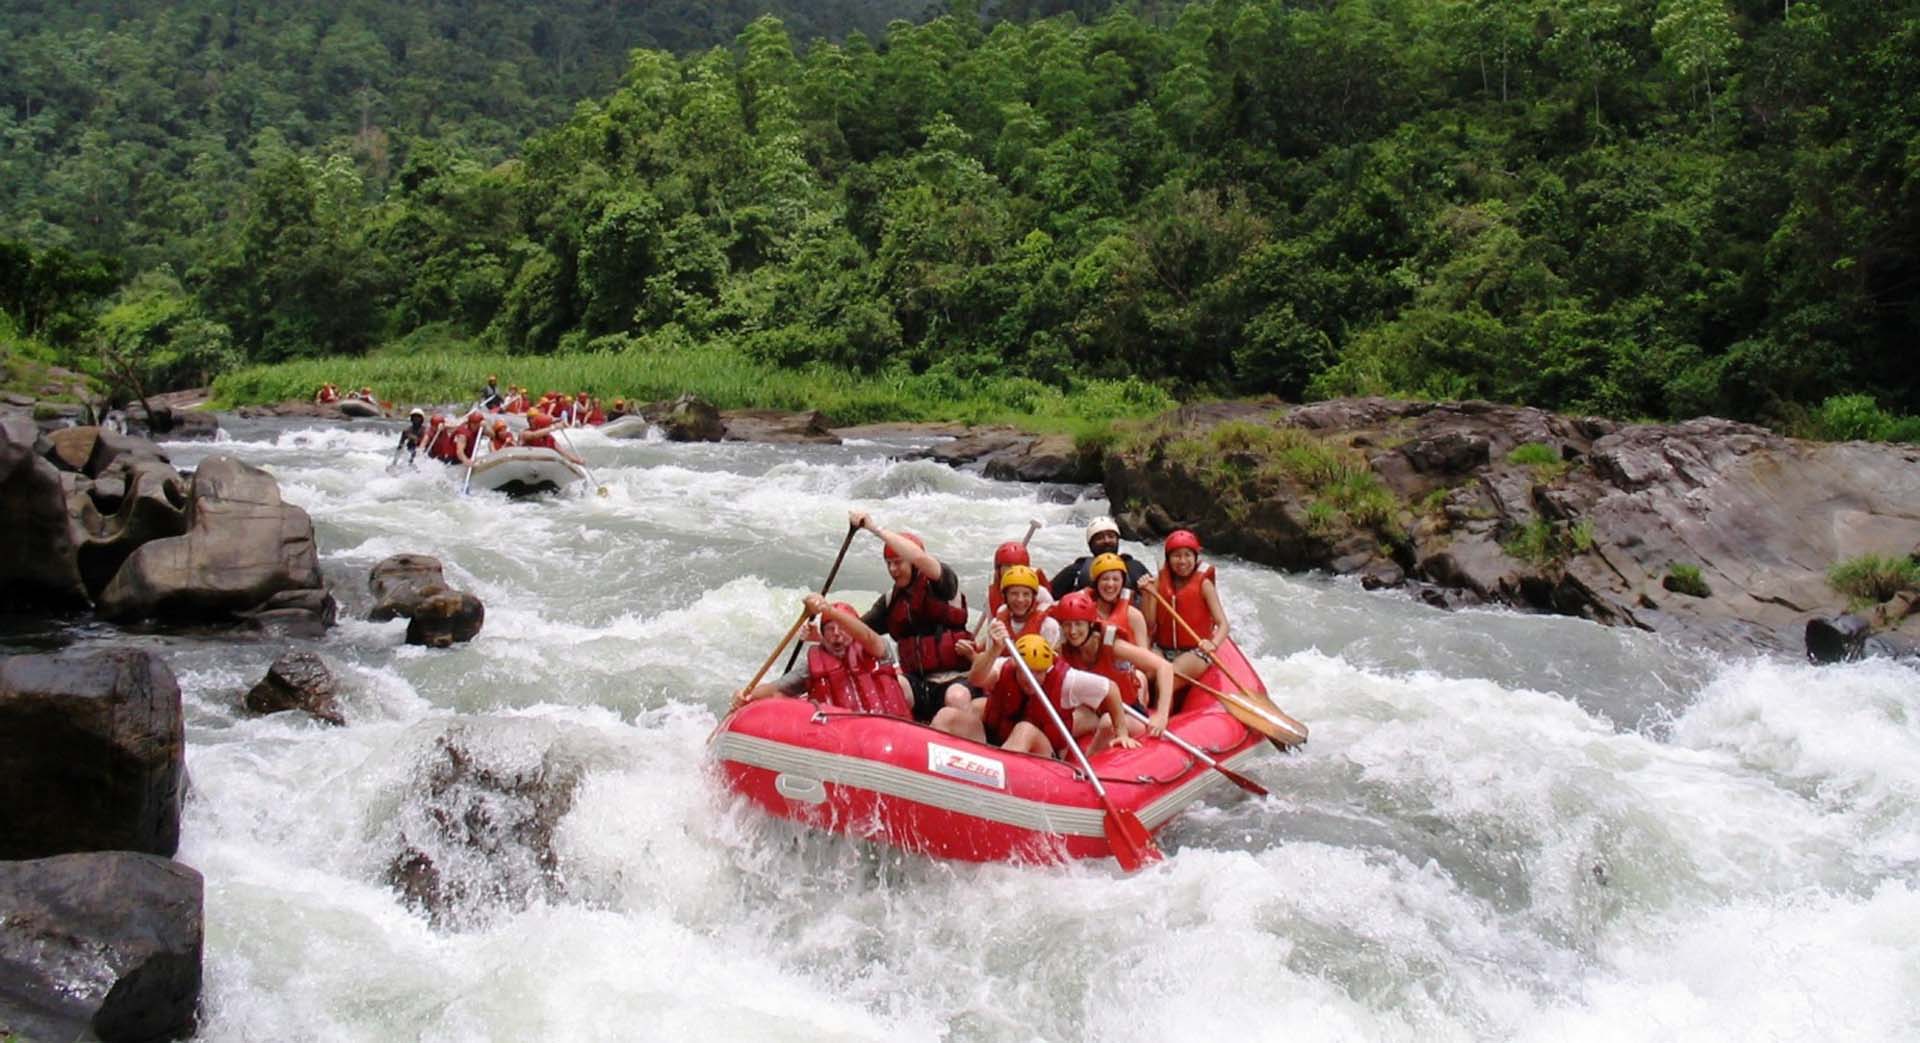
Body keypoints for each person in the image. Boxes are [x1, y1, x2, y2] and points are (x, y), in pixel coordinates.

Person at [852, 511, 976, 722]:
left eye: (898, 562)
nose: (892, 569)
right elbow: (859, 629)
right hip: (917, 682)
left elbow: (919, 557)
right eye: (888, 563)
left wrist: (874, 529)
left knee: (957, 696)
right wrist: (825, 623)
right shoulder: (891, 600)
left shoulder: (943, 583)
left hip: (955, 679)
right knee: (891, 685)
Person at [932, 632, 1140, 757]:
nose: (1032, 679)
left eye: (1039, 672)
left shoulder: (1068, 679)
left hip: (1044, 756)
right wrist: (994, 650)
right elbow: (976, 679)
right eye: (1027, 672)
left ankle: (999, 783)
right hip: (995, 740)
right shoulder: (1005, 665)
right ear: (1017, 666)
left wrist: (1121, 731)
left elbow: (1110, 688)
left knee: (1025, 729)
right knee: (946, 716)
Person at [733, 595, 912, 716]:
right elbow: (776, 689)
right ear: (823, 634)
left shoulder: (878, 649)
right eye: (829, 628)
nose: (836, 634)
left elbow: (867, 636)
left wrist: (828, 610)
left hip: (889, 729)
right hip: (840, 735)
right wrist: (746, 695)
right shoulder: (813, 665)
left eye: (842, 627)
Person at [1052, 589, 1175, 737]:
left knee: (1107, 722)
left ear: (1090, 624)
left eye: (1078, 624)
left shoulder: (1113, 646)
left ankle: (1092, 757)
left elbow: (1165, 667)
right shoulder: (1062, 650)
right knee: (1060, 724)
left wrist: (1162, 715)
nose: (1072, 631)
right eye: (1067, 625)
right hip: (1093, 711)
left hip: (1128, 712)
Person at [1141, 530, 1231, 697]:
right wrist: (1148, 594)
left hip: (1194, 650)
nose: (1182, 561)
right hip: (1162, 647)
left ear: (1195, 557)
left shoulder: (1204, 585)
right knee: (1144, 675)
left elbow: (1223, 624)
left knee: (1165, 679)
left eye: (1187, 555)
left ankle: (1162, 719)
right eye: (1176, 556)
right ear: (1168, 559)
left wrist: (1213, 644)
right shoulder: (1159, 582)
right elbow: (1150, 623)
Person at [1050, 516, 1150, 599]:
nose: (1106, 540)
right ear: (1091, 545)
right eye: (1099, 538)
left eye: (1111, 536)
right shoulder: (1077, 569)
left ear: (1118, 540)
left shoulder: (1134, 566)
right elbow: (1047, 594)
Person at [1087, 553, 1150, 647]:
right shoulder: (1084, 611)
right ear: (1096, 583)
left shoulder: (1134, 616)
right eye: (1105, 579)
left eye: (1116, 579)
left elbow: (1143, 651)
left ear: (1122, 583)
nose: (1110, 584)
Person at [984, 541, 1052, 620]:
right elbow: (992, 623)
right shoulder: (991, 594)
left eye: (1018, 566)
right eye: (1008, 566)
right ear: (999, 569)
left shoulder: (1041, 592)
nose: (1013, 570)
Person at [519, 411, 586, 466]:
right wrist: (554, 427)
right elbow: (533, 436)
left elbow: (564, 453)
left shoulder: (550, 439)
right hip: (528, 463)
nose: (548, 427)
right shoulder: (525, 433)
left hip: (543, 465)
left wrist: (578, 461)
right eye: (547, 426)